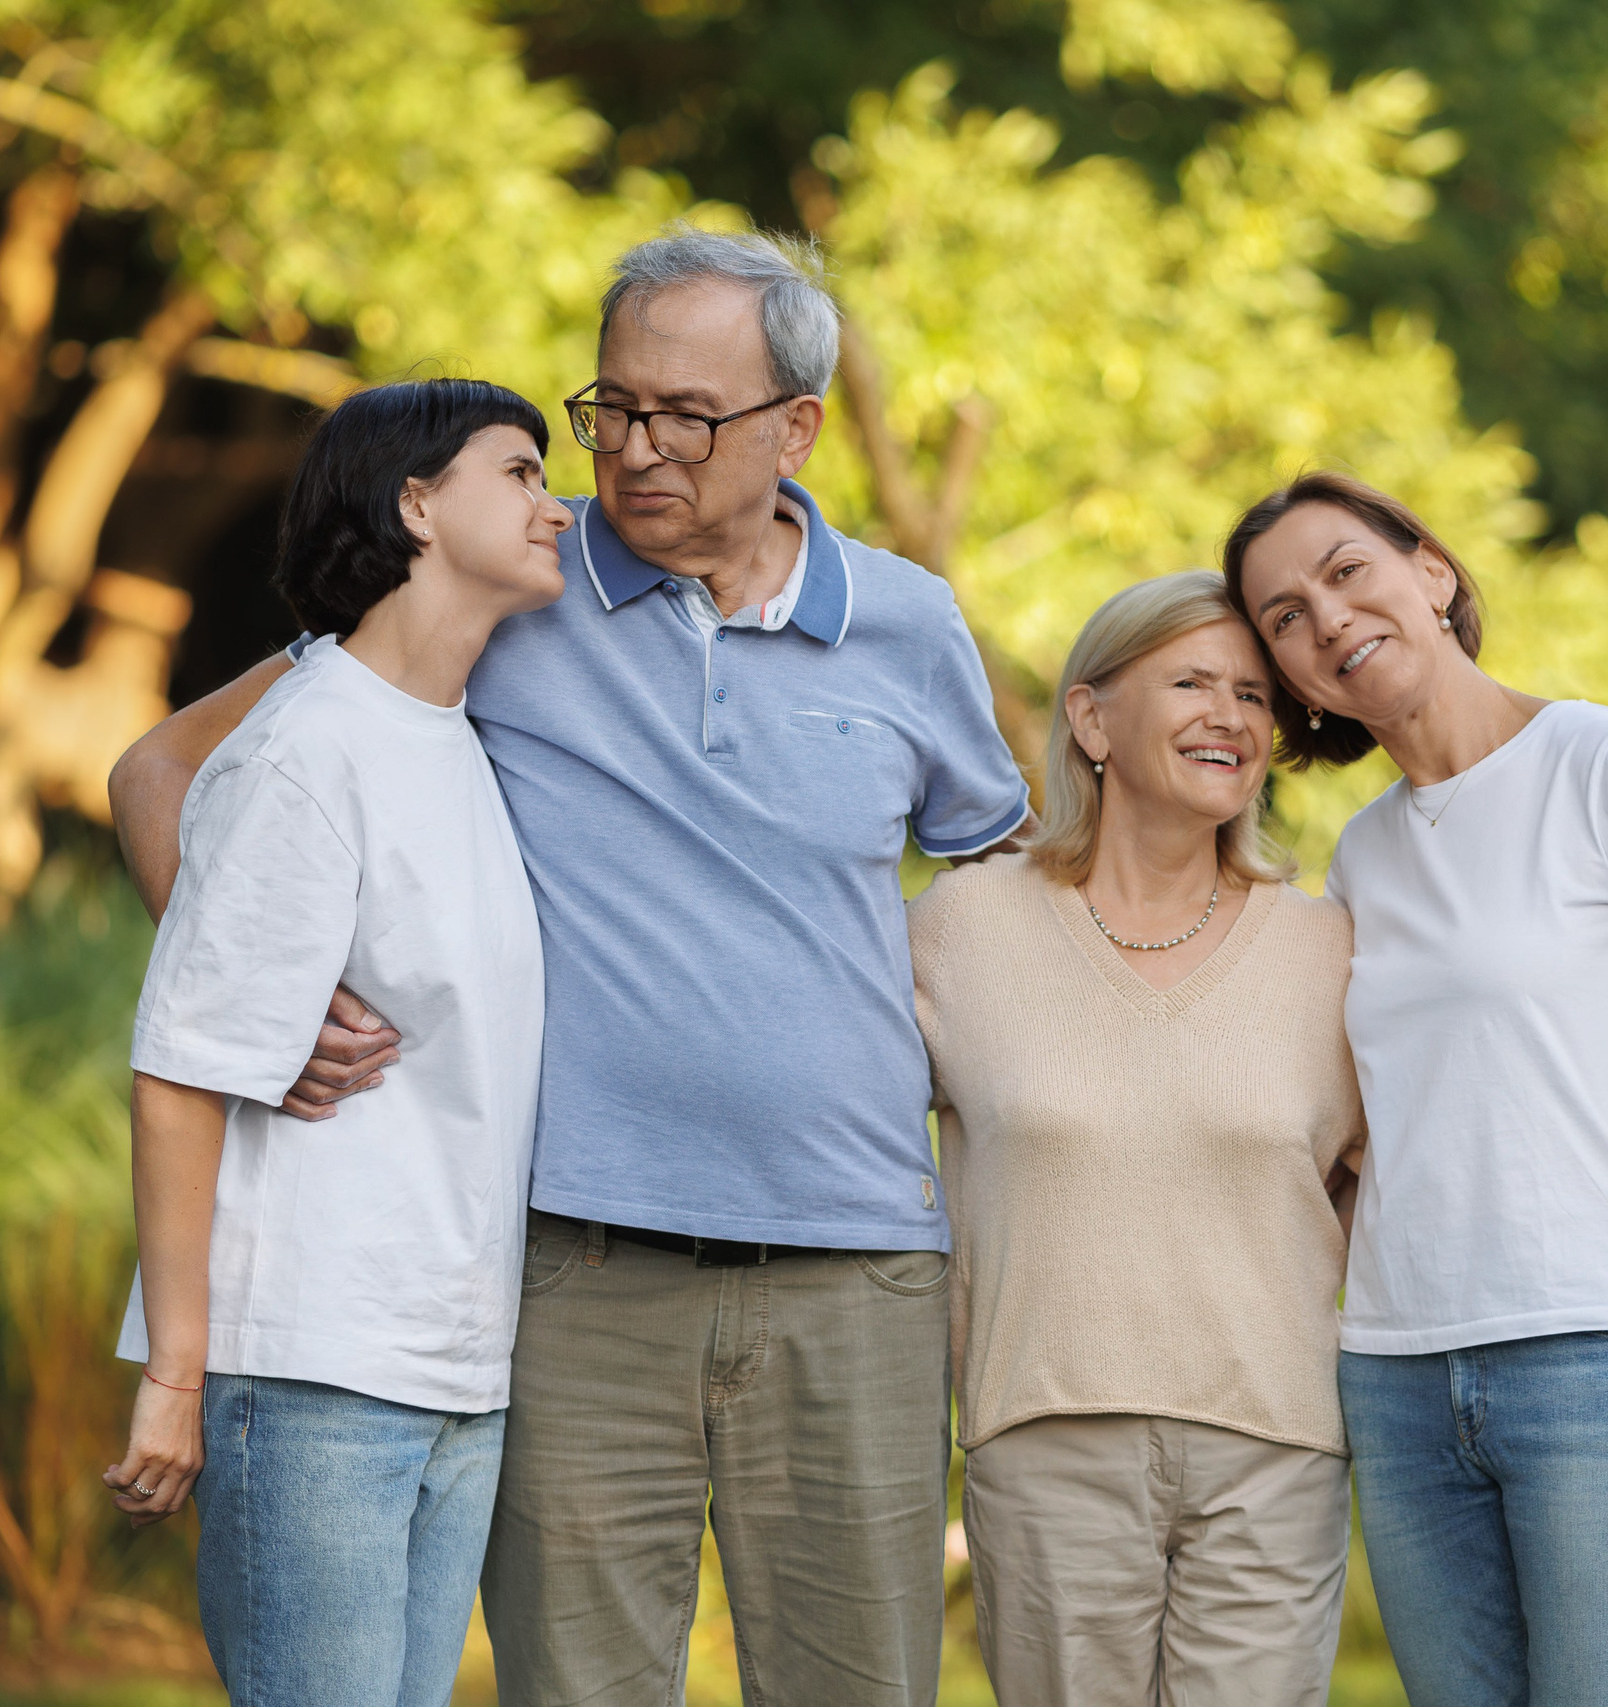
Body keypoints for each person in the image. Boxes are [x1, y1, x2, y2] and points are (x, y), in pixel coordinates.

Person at [107, 229, 1030, 1706]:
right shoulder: (505, 590)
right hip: (577, 1269)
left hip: (855, 1269)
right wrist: (261, 1008)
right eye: (611, 409)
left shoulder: (908, 623)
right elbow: (163, 769)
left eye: (687, 415)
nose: (636, 452)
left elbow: (998, 886)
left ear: (798, 425)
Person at [908, 571, 1608, 1707]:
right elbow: (840, 1129)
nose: (1229, 716)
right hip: (1044, 1435)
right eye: (1189, 682)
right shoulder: (963, 930)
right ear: (1090, 719)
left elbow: (1454, 1110)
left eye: (1250, 694)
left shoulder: (1330, 946)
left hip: (1274, 1444)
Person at [1224, 471, 1608, 1707]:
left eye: (1344, 571)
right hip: (1397, 1372)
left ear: (1430, 572)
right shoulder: (1361, 857)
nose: (1322, 618)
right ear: (1293, 680)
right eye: (1281, 617)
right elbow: (1386, 1120)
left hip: (1596, 1362)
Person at [100, 378, 571, 1706]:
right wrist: (175, 1379)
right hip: (311, 1368)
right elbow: (180, 1074)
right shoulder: (311, 745)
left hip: (452, 1361)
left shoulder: (450, 730)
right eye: (522, 471)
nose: (559, 500)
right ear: (417, 502)